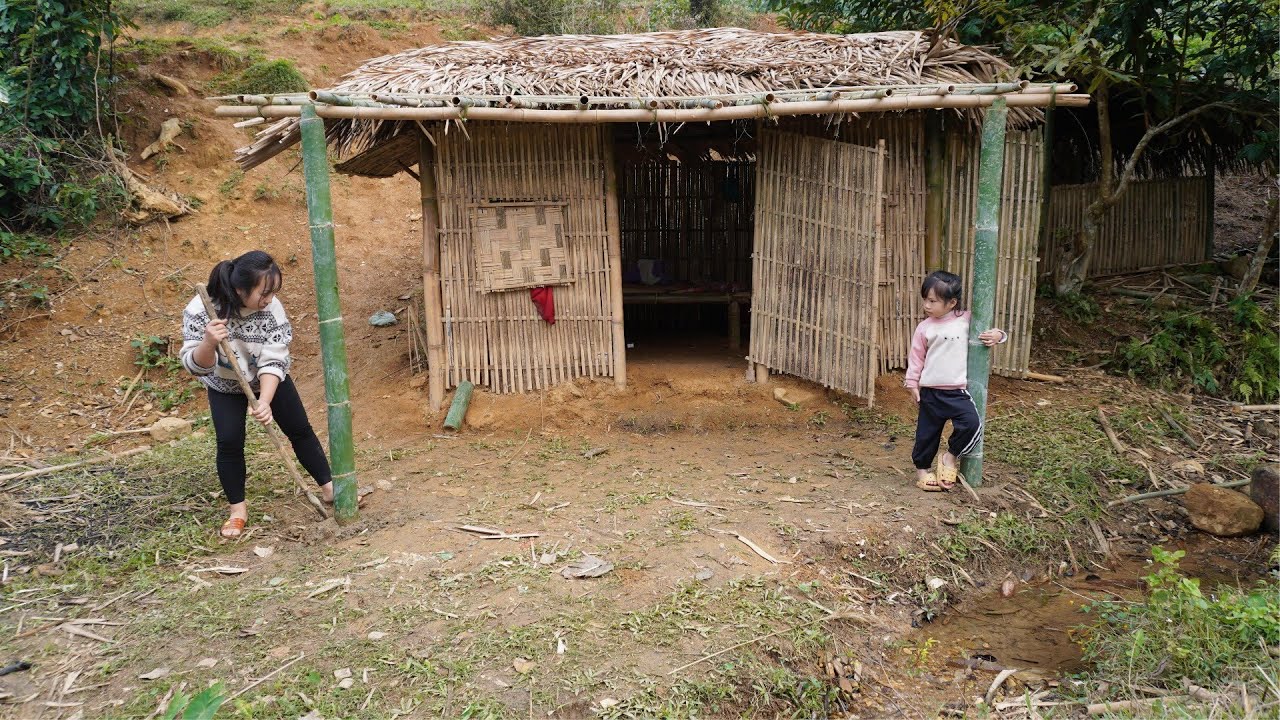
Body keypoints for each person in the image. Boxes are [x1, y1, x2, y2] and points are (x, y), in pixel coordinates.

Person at [179, 250, 333, 538]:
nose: (269, 300)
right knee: (229, 442)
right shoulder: (201, 310)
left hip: (268, 380)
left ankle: (329, 489)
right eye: (264, 293)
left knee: (300, 430)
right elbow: (194, 366)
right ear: (240, 289)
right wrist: (209, 342)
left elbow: (275, 357)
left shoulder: (272, 310)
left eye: (274, 292)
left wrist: (264, 401)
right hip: (224, 386)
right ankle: (237, 511)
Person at [903, 270, 1007, 492]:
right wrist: (912, 384)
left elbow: (993, 330)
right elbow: (916, 357)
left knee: (971, 424)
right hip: (930, 391)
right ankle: (922, 470)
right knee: (926, 434)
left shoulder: (967, 320)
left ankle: (949, 457)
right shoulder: (925, 327)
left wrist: (998, 335)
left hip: (957, 392)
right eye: (925, 300)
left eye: (933, 301)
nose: (927, 305)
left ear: (951, 303)